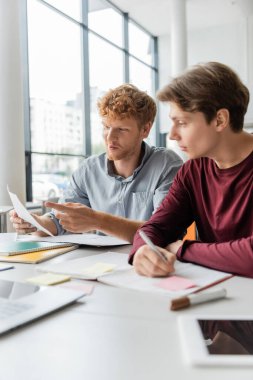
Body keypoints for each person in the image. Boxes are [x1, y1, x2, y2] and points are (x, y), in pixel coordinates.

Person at [10, 84, 182, 242]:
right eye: (106, 127)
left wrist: (97, 220)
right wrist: (36, 223)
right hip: (102, 264)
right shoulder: (88, 170)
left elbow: (163, 231)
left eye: (121, 129)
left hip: (150, 262)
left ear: (145, 129)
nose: (110, 137)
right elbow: (60, 222)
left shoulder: (166, 165)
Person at [131, 62, 253, 277]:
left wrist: (183, 249)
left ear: (220, 120)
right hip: (215, 293)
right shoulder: (192, 170)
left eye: (182, 122)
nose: (172, 135)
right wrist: (143, 250)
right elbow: (155, 228)